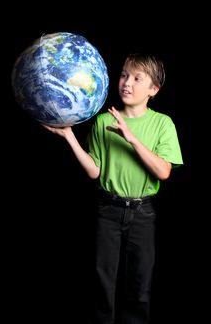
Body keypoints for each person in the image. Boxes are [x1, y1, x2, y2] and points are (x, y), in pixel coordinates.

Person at [42, 53, 183, 323]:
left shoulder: (162, 123)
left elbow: (164, 171)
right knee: (102, 285)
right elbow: (95, 171)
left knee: (139, 288)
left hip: (142, 214)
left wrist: (131, 138)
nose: (126, 83)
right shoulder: (103, 121)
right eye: (123, 75)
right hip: (108, 210)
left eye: (137, 78)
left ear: (153, 90)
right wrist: (70, 137)